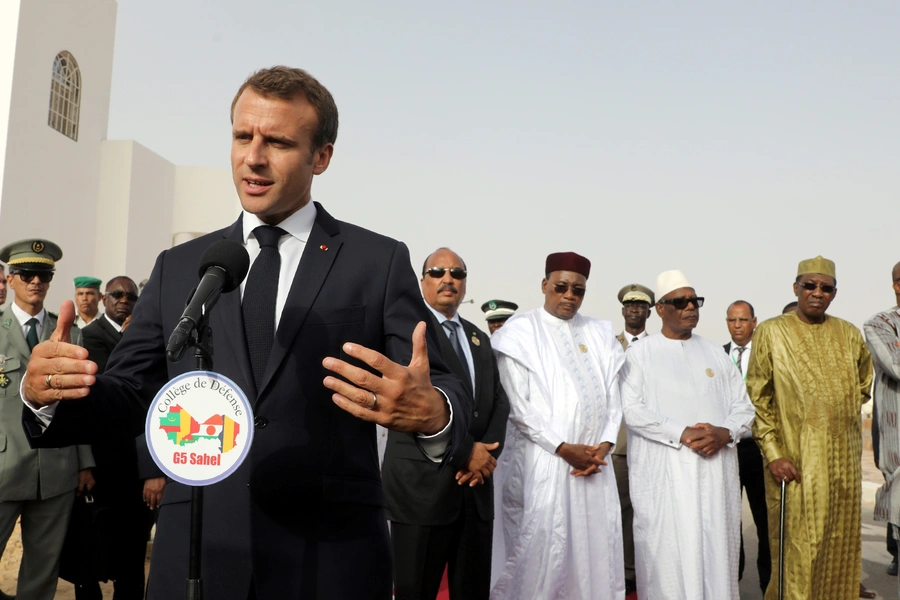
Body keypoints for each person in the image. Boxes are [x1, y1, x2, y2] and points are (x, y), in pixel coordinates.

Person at [18, 66, 472, 600]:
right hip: (199, 551)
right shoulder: (181, 266)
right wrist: (47, 394)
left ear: (321, 156)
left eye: (277, 142)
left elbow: (443, 383)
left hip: (330, 556)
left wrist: (435, 412)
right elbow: (128, 396)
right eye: (242, 136)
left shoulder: (377, 261)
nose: (253, 157)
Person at [491, 252, 626, 600]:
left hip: (596, 465)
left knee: (595, 548)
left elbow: (614, 394)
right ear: (544, 285)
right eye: (561, 287)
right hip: (546, 463)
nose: (569, 296)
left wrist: (605, 444)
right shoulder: (519, 332)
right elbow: (518, 406)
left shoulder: (598, 332)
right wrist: (564, 449)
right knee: (543, 548)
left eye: (578, 290)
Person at [620, 270, 754, 600]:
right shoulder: (639, 354)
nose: (690, 307)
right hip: (665, 480)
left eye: (695, 301)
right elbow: (631, 410)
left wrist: (726, 432)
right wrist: (681, 432)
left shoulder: (715, 354)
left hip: (715, 478)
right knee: (667, 555)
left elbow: (745, 408)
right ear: (661, 309)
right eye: (680, 302)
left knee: (716, 553)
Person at [384, 248, 509, 600]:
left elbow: (498, 401)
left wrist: (484, 456)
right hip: (422, 489)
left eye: (457, 273)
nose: (448, 279)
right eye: (437, 272)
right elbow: (407, 404)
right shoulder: (405, 332)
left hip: (475, 488)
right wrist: (466, 452)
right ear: (423, 281)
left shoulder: (478, 338)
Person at [747, 256, 872, 600]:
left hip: (843, 464)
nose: (817, 293)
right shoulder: (772, 332)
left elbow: (863, 383)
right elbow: (757, 398)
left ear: (834, 293)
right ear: (796, 288)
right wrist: (773, 453)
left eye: (825, 287)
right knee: (800, 549)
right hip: (795, 462)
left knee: (840, 549)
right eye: (809, 286)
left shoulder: (848, 333)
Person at [0, 239, 95, 600]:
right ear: (10, 279)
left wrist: (84, 461)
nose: (35, 281)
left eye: (43, 274)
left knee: (42, 572)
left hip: (55, 468)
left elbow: (80, 403)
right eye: (26, 274)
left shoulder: (69, 331)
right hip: (4, 465)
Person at [64, 276, 158, 600]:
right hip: (97, 470)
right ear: (104, 299)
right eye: (117, 294)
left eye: (131, 296)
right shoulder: (87, 336)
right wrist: (83, 464)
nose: (124, 300)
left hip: (135, 472)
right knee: (88, 555)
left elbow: (154, 407)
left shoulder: (151, 339)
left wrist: (153, 469)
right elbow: (79, 404)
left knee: (131, 560)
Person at [723, 300, 770, 594]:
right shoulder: (717, 355)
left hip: (761, 449)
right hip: (728, 449)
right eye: (732, 320)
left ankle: (769, 585)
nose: (737, 325)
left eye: (743, 320)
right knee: (729, 522)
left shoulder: (767, 355)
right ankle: (731, 583)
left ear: (754, 322)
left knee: (765, 521)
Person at [612, 282, 655, 595]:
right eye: (630, 305)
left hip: (653, 445)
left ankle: (652, 567)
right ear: (624, 310)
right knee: (622, 511)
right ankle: (627, 572)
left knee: (654, 510)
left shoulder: (660, 347)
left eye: (641, 305)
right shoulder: (610, 346)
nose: (635, 310)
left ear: (649, 311)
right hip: (621, 445)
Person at [867, 261, 900, 580]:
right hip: (895, 429)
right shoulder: (879, 323)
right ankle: (897, 554)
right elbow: (895, 365)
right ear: (896, 285)